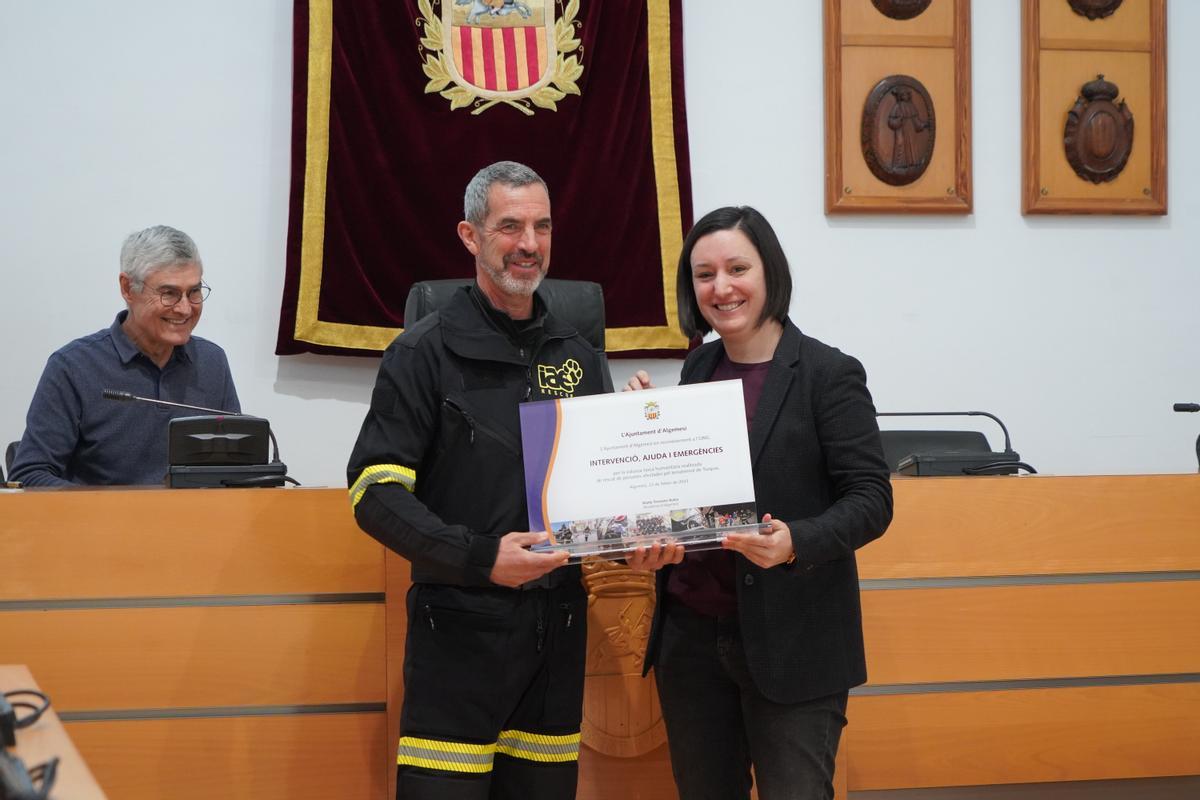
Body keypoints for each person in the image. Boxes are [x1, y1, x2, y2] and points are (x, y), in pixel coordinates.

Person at [347, 161, 675, 800]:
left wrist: (639, 532)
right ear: (470, 236)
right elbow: (373, 494)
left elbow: (595, 504)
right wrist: (481, 557)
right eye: (510, 226)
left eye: (542, 226)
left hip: (557, 643)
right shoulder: (422, 353)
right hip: (458, 640)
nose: (529, 243)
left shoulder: (578, 354)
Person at [626, 206, 893, 800]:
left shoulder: (828, 373)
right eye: (704, 275)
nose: (721, 287)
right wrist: (639, 426)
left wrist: (796, 541)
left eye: (737, 268)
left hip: (795, 641)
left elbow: (872, 498)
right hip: (692, 639)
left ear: (769, 270)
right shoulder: (698, 367)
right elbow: (688, 498)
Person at [10, 225, 239, 487]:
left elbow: (236, 470)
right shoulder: (73, 367)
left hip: (196, 514)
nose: (185, 309)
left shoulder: (211, 361)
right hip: (100, 514)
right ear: (128, 288)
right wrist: (108, 506)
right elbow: (30, 476)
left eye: (194, 292)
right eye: (169, 293)